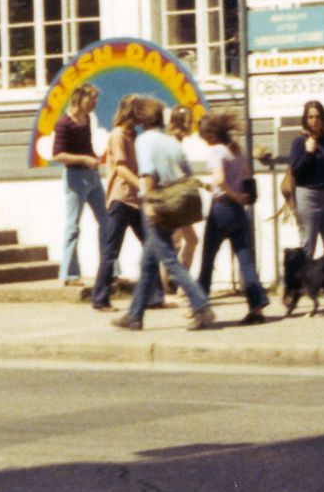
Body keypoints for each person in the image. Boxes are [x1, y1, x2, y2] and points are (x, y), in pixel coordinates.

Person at [114, 98, 214, 331]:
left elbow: (148, 173)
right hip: (175, 202)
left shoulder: (144, 141)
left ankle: (201, 305)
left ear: (143, 119)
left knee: (168, 259)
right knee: (148, 262)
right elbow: (186, 171)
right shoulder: (170, 141)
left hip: (158, 202)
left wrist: (148, 203)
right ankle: (134, 316)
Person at [195, 113, 269, 324]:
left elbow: (220, 180)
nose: (204, 140)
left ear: (211, 133)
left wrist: (232, 194)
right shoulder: (236, 151)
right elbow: (245, 175)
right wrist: (239, 196)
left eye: (204, 136)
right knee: (245, 259)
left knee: (208, 259)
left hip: (221, 209)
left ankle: (199, 307)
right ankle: (257, 307)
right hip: (237, 212)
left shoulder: (216, 151)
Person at [91, 96, 162, 313]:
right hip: (121, 200)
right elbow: (121, 169)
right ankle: (100, 298)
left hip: (136, 200)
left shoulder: (133, 136)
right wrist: (143, 185)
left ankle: (155, 297)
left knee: (151, 246)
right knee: (111, 251)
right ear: (131, 113)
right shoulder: (118, 135)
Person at [288, 100, 324, 314]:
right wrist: (309, 152)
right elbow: (296, 170)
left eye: (318, 117)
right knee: (307, 246)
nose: (314, 121)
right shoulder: (299, 142)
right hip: (308, 195)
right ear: (305, 119)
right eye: (310, 117)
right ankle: (296, 293)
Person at [49, 83, 106, 286]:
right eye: (91, 99)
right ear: (80, 98)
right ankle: (69, 275)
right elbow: (57, 155)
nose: (94, 103)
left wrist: (95, 158)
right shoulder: (64, 123)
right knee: (73, 225)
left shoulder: (87, 119)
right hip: (75, 178)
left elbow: (86, 147)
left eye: (96, 99)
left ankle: (109, 270)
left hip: (92, 176)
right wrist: (83, 159)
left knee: (107, 222)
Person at [171, 105, 210, 280]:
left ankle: (178, 283)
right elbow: (178, 172)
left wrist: (200, 184)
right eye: (189, 121)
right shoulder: (173, 143)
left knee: (185, 241)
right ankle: (170, 284)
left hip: (181, 196)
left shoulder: (177, 142)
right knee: (178, 242)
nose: (191, 124)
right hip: (175, 197)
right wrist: (199, 183)